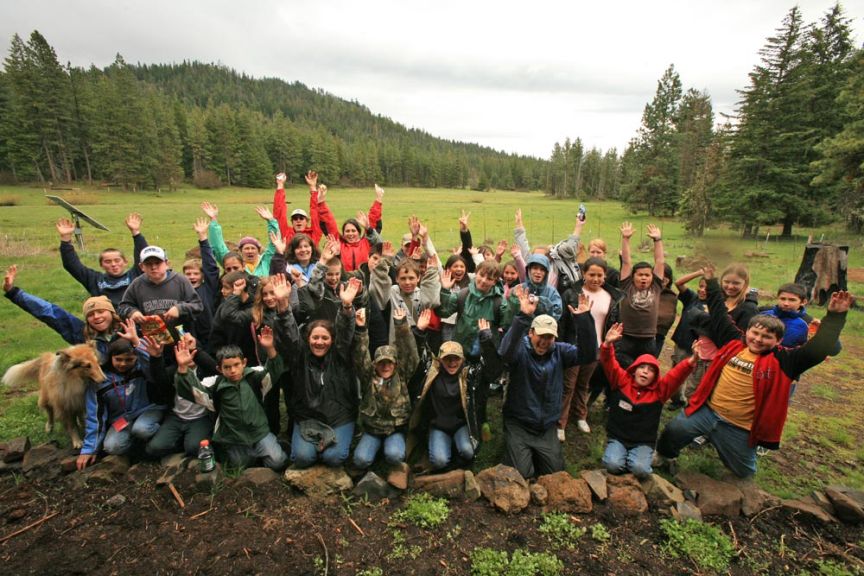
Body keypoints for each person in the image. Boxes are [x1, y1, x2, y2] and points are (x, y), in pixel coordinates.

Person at [655, 268, 852, 478]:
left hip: (739, 426)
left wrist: (835, 317)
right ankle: (664, 455)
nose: (758, 339)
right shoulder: (734, 343)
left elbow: (819, 349)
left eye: (767, 336)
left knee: (744, 473)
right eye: (755, 333)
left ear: (778, 341)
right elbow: (720, 315)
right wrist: (712, 282)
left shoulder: (785, 361)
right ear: (747, 331)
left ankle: (726, 446)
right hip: (708, 411)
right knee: (674, 430)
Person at [497, 287, 596, 479]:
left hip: (546, 426)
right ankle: (515, 451)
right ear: (531, 333)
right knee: (523, 474)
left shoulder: (560, 351)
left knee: (555, 474)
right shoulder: (520, 350)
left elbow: (588, 355)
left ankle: (531, 454)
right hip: (519, 422)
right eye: (541, 336)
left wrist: (584, 321)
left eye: (549, 337)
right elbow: (505, 353)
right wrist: (522, 317)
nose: (545, 342)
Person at [274, 274, 362, 468]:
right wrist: (282, 306)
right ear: (308, 339)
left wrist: (346, 307)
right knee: (303, 459)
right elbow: (289, 336)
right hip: (308, 417)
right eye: (315, 338)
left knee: (333, 458)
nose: (319, 342)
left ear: (332, 340)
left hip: (339, 416)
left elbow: (346, 331)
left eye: (325, 338)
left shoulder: (340, 355)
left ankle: (341, 440)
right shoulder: (299, 356)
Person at [174, 328, 288, 470]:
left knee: (278, 462)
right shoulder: (215, 385)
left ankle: (273, 447)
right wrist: (183, 367)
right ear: (219, 369)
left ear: (244, 363)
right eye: (227, 367)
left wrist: (270, 348)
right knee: (239, 466)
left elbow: (274, 371)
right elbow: (191, 390)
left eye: (236, 365)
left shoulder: (254, 377)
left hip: (259, 433)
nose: (233, 370)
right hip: (233, 437)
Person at [599, 322, 698, 479]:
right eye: (642, 367)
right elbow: (608, 363)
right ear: (634, 369)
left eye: (651, 370)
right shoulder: (621, 380)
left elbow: (676, 376)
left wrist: (691, 361)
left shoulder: (659, 392)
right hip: (618, 438)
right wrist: (607, 344)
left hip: (642, 442)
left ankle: (643, 457)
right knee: (613, 465)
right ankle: (620, 455)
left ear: (655, 376)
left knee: (641, 470)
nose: (645, 372)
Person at [408, 319, 501, 471]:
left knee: (468, 452)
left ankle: (454, 447)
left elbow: (493, 370)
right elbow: (417, 354)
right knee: (439, 462)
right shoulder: (430, 373)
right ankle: (438, 445)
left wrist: (485, 338)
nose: (452, 363)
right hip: (437, 426)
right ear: (439, 360)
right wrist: (419, 332)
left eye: (456, 358)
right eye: (447, 359)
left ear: (463, 359)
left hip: (461, 425)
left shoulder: (470, 375)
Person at [437, 259, 509, 442]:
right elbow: (445, 312)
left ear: (496, 281)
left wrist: (514, 305)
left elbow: (507, 322)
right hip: (463, 352)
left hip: (485, 353)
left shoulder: (498, 301)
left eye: (490, 278)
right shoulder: (463, 295)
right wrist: (445, 290)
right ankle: (460, 420)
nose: (484, 281)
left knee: (481, 391)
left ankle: (481, 420)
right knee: (461, 387)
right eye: (482, 275)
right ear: (476, 273)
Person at [77, 319, 163, 470]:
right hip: (122, 419)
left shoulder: (141, 368)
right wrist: (89, 449)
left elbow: (154, 368)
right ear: (110, 358)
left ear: (135, 358)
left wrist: (137, 343)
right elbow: (95, 415)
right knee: (112, 447)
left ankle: (156, 441)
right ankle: (138, 450)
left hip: (147, 410)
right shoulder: (100, 380)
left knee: (141, 429)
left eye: (128, 359)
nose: (123, 364)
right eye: (118, 360)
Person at [352, 306, 424, 483]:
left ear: (395, 364)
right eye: (381, 363)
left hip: (395, 430)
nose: (385, 367)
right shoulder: (368, 375)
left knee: (394, 456)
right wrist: (361, 329)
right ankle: (374, 450)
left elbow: (409, 352)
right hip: (372, 430)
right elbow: (360, 354)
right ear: (375, 364)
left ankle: (388, 453)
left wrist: (401, 326)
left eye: (389, 363)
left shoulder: (403, 375)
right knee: (360, 460)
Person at [559, 256, 623, 438]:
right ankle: (560, 422)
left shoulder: (610, 297)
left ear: (605, 276)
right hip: (574, 347)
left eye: (600, 275)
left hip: (596, 348)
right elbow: (563, 322)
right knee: (568, 384)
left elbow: (613, 323)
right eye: (591, 274)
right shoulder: (571, 294)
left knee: (583, 384)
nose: (595, 279)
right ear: (583, 274)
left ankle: (580, 415)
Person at [3, 264, 123, 361]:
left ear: (111, 313)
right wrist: (13, 292)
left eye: (101, 311)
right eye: (90, 315)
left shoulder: (127, 328)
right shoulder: (81, 334)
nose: (96, 317)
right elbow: (47, 311)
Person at [144, 333, 216, 458]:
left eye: (190, 352)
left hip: (200, 417)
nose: (187, 356)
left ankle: (193, 441)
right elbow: (160, 379)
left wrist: (194, 349)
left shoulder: (206, 370)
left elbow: (217, 369)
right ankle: (178, 443)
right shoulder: (174, 371)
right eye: (183, 352)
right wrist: (156, 357)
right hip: (177, 416)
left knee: (194, 448)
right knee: (154, 448)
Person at [56, 213, 149, 308]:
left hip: (132, 317)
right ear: (101, 265)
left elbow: (144, 257)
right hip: (105, 319)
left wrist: (136, 232)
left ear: (125, 262)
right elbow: (72, 265)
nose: (113, 264)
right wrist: (65, 238)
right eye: (108, 262)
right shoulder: (94, 279)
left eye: (117, 260)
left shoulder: (135, 275)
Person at [118, 246, 204, 342]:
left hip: (181, 339)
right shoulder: (137, 284)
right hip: (151, 342)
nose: (153, 267)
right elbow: (122, 307)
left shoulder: (180, 281)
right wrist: (132, 312)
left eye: (158, 263)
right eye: (148, 264)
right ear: (142, 267)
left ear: (167, 264)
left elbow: (198, 305)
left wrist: (179, 309)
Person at [615, 222, 665, 367]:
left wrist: (657, 240)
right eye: (640, 275)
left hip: (648, 339)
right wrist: (625, 239)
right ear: (633, 276)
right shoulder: (627, 286)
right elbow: (626, 262)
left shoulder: (656, 287)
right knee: (624, 372)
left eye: (647, 275)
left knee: (644, 372)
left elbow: (660, 262)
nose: (644, 278)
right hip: (626, 338)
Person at [202, 201, 279, 278]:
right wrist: (213, 220)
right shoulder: (233, 263)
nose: (250, 251)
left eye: (253, 248)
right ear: (240, 251)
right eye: (246, 248)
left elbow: (274, 243)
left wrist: (271, 221)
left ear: (258, 251)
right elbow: (218, 247)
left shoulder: (266, 261)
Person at [319, 184, 384, 272]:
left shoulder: (366, 243)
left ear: (359, 232)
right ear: (343, 233)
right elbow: (329, 222)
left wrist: (379, 199)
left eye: (353, 231)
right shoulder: (339, 244)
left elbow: (373, 220)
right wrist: (321, 202)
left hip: (365, 282)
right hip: (343, 282)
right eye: (347, 231)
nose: (350, 234)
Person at [272, 171, 326, 246]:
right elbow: (279, 212)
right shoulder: (286, 233)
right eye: (295, 218)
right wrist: (280, 185)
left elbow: (315, 213)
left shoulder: (313, 234)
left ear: (306, 221)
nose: (298, 220)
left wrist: (313, 187)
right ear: (292, 222)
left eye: (301, 218)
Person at [760, 283, 810, 347]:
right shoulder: (763, 315)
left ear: (803, 302)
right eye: (782, 299)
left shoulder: (807, 324)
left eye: (792, 300)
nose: (786, 303)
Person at [718, 263, 759, 331]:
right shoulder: (718, 300)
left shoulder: (749, 309)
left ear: (745, 283)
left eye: (736, 283)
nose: (730, 286)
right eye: (726, 282)